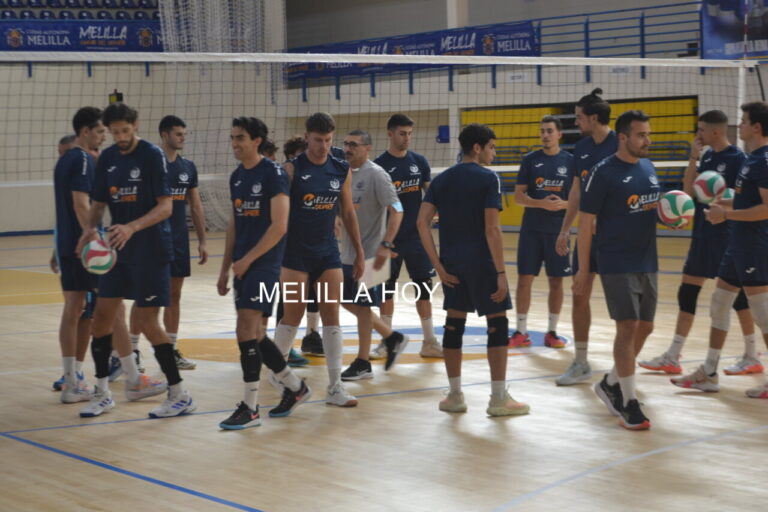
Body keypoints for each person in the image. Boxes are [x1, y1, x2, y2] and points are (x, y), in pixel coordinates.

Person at [76, 102, 191, 419]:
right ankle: (102, 393)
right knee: (101, 318)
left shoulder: (152, 155)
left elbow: (166, 207)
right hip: (118, 250)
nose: (120, 137)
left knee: (149, 323)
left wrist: (132, 227)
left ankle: (180, 394)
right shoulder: (108, 158)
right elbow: (99, 204)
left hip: (151, 250)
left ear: (136, 126)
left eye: (125, 131)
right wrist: (88, 231)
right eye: (114, 133)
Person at [417, 123, 530, 417]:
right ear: (477, 148)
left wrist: (438, 266)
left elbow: (421, 223)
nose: (494, 153)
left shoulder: (442, 179)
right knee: (497, 324)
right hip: (483, 264)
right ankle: (498, 398)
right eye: (491, 147)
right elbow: (492, 229)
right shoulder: (488, 178)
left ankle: (455, 396)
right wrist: (501, 274)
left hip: (452, 264)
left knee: (454, 325)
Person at [640, 111, 760, 375]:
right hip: (702, 235)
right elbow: (688, 191)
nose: (698, 134)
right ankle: (673, 355)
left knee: (739, 299)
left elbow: (744, 199)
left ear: (716, 132)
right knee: (687, 292)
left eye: (702, 129)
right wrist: (694, 158)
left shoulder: (739, 159)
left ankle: (751, 354)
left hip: (726, 236)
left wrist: (722, 206)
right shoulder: (706, 157)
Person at [216, 117, 311, 429]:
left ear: (256, 141)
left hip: (266, 265)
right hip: (243, 264)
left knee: (245, 328)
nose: (235, 143)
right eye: (232, 137)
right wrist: (224, 268)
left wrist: (248, 260)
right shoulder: (237, 177)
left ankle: (250, 408)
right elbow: (233, 226)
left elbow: (279, 226)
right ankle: (295, 387)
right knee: (255, 335)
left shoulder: (273, 173)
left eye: (240, 138)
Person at [671, 101, 768, 399]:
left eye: (744, 121)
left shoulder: (763, 160)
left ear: (757, 127)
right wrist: (721, 203)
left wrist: (726, 214)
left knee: (762, 314)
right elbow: (745, 200)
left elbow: (766, 208)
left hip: (754, 247)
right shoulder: (752, 159)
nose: (740, 125)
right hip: (736, 245)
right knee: (719, 303)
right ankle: (709, 372)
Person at [271, 112, 366, 407]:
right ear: (306, 137)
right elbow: (277, 215)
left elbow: (347, 212)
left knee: (332, 318)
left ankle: (335, 387)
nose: (323, 146)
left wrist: (359, 251)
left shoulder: (340, 169)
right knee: (292, 316)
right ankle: (277, 372)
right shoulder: (291, 170)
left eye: (327, 140)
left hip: (327, 253)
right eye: (317, 140)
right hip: (295, 255)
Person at [576, 110, 659, 430]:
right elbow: (585, 224)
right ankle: (628, 400)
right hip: (616, 260)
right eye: (641, 135)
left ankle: (610, 382)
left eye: (648, 134)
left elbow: (650, 208)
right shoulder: (603, 173)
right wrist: (583, 270)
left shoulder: (649, 167)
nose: (647, 140)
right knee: (627, 327)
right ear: (623, 137)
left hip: (648, 259)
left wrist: (672, 216)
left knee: (645, 327)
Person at [127, 115, 208, 371]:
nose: (182, 138)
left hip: (179, 241)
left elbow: (195, 206)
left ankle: (171, 350)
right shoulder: (150, 164)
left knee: (175, 295)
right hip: (152, 242)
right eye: (178, 134)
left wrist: (203, 241)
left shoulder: (187, 167)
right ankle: (132, 351)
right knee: (144, 297)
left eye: (184, 134)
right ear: (165, 135)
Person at [554, 88, 619, 386]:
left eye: (579, 117)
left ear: (593, 118)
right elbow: (576, 191)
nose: (576, 122)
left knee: (621, 303)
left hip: (615, 237)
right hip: (586, 236)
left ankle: (622, 367)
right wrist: (565, 228)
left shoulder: (620, 143)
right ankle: (581, 362)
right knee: (579, 293)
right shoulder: (580, 148)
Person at [338, 130, 407, 380]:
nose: (348, 148)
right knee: (340, 298)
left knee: (364, 306)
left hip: (372, 254)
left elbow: (397, 209)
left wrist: (386, 244)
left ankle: (363, 362)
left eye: (354, 145)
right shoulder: (343, 172)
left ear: (367, 148)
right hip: (347, 254)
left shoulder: (377, 175)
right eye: (346, 143)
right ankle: (391, 336)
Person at [373, 114, 443, 358]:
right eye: (403, 133)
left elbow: (430, 193)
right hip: (388, 239)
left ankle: (430, 341)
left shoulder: (419, 161)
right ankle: (386, 342)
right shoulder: (379, 165)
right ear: (390, 134)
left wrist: (438, 211)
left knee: (424, 288)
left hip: (416, 237)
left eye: (410, 134)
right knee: (386, 291)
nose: (407, 138)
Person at [51, 109, 105, 403]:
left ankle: (72, 379)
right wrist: (94, 239)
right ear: (86, 131)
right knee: (104, 308)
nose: (103, 137)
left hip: (67, 243)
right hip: (83, 247)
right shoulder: (83, 159)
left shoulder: (64, 161)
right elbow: (80, 204)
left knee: (76, 309)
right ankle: (127, 370)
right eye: (100, 131)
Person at [511, 116, 573, 349]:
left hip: (559, 231)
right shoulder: (530, 160)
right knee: (524, 279)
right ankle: (521, 332)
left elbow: (580, 198)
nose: (545, 135)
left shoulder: (570, 162)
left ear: (559, 135)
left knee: (556, 281)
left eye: (549, 131)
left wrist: (564, 204)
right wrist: (541, 204)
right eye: (542, 131)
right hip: (532, 230)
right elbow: (518, 197)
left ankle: (552, 332)